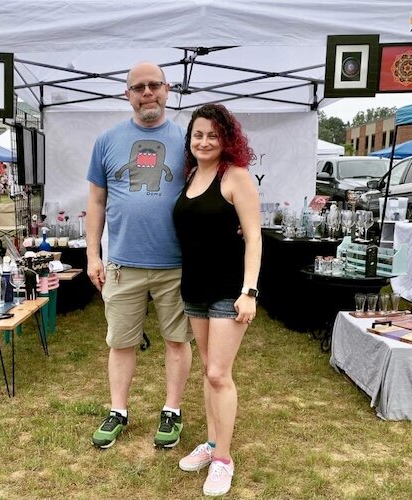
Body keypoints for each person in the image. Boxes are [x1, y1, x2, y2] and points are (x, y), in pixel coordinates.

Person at [85, 62, 193, 450]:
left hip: (176, 264)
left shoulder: (187, 141)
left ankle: (173, 410)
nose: (147, 93)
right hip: (122, 264)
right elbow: (96, 202)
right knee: (121, 342)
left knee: (177, 340)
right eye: (138, 87)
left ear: (167, 90)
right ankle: (118, 411)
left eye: (154, 85)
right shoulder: (107, 141)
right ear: (127, 94)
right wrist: (92, 254)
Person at [173, 104, 262, 496]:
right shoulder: (191, 175)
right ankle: (211, 445)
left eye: (212, 134)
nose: (204, 141)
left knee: (217, 375)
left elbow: (254, 237)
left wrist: (249, 291)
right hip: (194, 289)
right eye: (198, 134)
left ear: (226, 138)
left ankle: (223, 460)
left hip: (229, 291)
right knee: (208, 368)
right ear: (190, 139)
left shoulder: (235, 176)